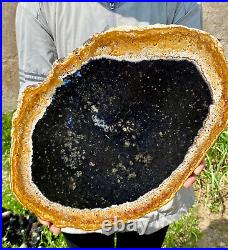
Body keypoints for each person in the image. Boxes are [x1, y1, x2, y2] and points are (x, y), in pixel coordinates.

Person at [16, 2, 205, 248]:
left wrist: (195, 136)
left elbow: (190, 84)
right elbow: (34, 100)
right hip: (77, 169)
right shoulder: (38, 6)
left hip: (154, 159)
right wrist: (38, 190)